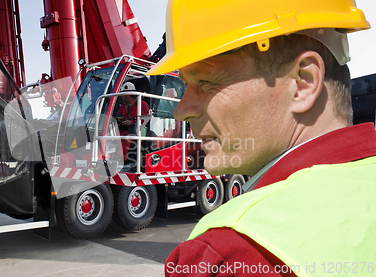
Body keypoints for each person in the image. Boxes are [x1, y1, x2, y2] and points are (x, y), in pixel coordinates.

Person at [147, 0, 376, 276]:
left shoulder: (229, 253)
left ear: (303, 83)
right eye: (185, 85)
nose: (181, 111)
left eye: (207, 82)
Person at [117, 81, 150, 164]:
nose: (122, 96)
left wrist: (131, 122)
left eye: (123, 94)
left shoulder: (143, 104)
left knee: (126, 139)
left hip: (138, 131)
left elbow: (145, 120)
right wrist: (119, 122)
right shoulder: (123, 106)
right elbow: (119, 116)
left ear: (129, 94)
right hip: (125, 130)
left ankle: (126, 160)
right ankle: (120, 160)